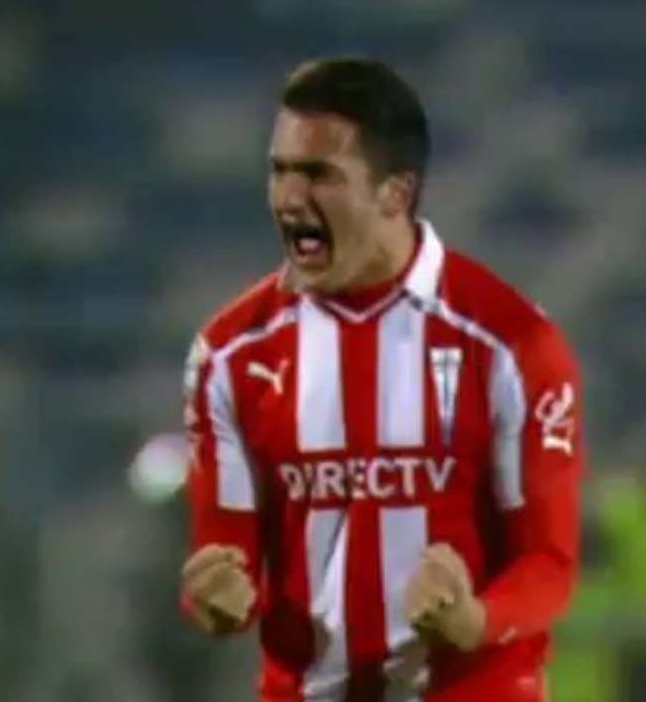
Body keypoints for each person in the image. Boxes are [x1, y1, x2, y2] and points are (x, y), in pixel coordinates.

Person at [178, 56, 585, 702]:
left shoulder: (513, 344)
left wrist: (475, 619)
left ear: (395, 192)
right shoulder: (228, 355)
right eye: (279, 170)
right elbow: (227, 553)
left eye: (319, 174)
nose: (289, 198)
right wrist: (215, 595)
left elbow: (549, 564)